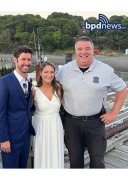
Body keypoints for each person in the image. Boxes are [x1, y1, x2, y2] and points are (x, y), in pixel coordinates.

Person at [56, 36, 127, 168]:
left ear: (93, 50)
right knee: (75, 162)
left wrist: (114, 113)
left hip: (96, 123)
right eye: (80, 49)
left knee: (97, 161)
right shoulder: (63, 70)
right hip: (71, 123)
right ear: (75, 51)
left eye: (88, 48)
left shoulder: (105, 70)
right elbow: (51, 89)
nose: (84, 52)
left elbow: (122, 89)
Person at [0, 45, 36, 168]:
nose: (27, 63)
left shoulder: (28, 83)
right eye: (23, 59)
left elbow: (27, 109)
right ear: (15, 60)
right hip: (10, 139)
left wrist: (33, 98)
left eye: (29, 60)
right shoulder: (4, 82)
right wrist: (4, 139)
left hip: (26, 137)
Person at [32, 61, 64, 168]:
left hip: (56, 126)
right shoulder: (34, 91)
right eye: (46, 72)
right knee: (42, 155)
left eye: (52, 72)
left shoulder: (59, 88)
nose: (49, 75)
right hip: (40, 127)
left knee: (55, 153)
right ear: (40, 73)